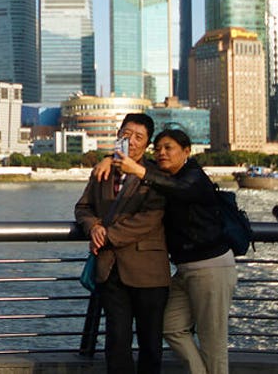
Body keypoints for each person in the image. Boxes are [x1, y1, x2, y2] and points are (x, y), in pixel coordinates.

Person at [105, 127, 237, 374]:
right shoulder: (163, 177)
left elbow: (179, 189)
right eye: (158, 149)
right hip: (184, 270)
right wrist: (106, 160)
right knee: (169, 326)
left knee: (213, 342)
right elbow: (142, 166)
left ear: (186, 151)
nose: (162, 153)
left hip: (211, 267)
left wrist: (140, 171)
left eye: (169, 148)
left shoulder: (194, 177)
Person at [74, 113, 170, 374]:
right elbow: (83, 207)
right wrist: (92, 225)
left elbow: (152, 217)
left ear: (147, 144)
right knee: (116, 342)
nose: (131, 140)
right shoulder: (103, 171)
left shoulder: (154, 175)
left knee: (150, 343)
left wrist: (108, 235)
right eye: (126, 133)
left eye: (139, 137)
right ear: (118, 134)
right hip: (110, 270)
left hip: (148, 271)